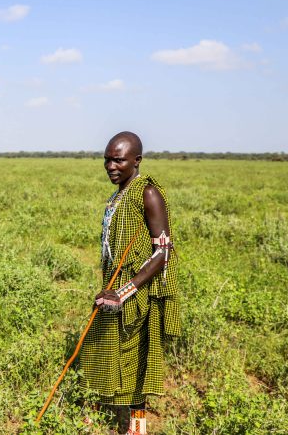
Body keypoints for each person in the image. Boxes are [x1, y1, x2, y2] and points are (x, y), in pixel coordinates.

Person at [79, 131, 180, 435]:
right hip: (114, 289)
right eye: (107, 159)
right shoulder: (119, 194)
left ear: (136, 160)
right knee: (102, 349)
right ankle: (92, 417)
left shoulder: (147, 193)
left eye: (119, 160)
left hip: (138, 295)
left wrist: (124, 292)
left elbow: (162, 252)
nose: (111, 165)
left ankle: (137, 428)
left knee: (138, 364)